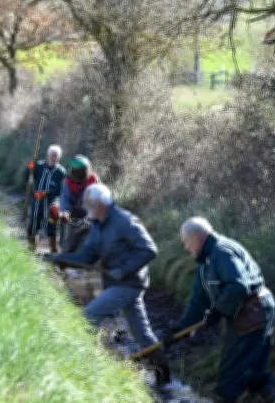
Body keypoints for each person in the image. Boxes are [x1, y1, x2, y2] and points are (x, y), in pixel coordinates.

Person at [43, 184, 174, 390]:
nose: (86, 208)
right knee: (142, 334)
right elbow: (87, 256)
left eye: (89, 205)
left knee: (87, 317)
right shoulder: (97, 224)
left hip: (129, 283)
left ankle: (87, 366)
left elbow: (149, 250)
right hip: (116, 283)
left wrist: (123, 269)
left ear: (100, 204)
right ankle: (165, 379)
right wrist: (60, 258)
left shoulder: (125, 222)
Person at [163, 217, 275, 403]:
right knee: (256, 374)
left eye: (186, 242)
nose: (186, 248)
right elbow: (198, 300)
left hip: (253, 312)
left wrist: (218, 311)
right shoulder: (205, 263)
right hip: (250, 313)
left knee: (230, 377)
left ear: (197, 237)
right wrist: (181, 328)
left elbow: (238, 285)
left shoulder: (222, 251)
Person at [24, 144, 67, 252]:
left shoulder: (61, 172)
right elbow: (27, 177)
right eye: (52, 155)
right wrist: (29, 167)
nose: (54, 157)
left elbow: (61, 191)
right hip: (37, 202)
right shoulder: (39, 165)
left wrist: (47, 193)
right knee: (33, 225)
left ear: (59, 157)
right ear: (48, 154)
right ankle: (32, 249)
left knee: (52, 227)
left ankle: (54, 251)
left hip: (52, 204)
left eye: (56, 155)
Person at [58, 155, 100, 252]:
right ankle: (65, 255)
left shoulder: (93, 180)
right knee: (69, 241)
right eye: (75, 172)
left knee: (97, 236)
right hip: (73, 213)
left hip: (90, 212)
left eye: (81, 172)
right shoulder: (67, 182)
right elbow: (65, 198)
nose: (78, 175)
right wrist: (65, 212)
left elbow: (99, 196)